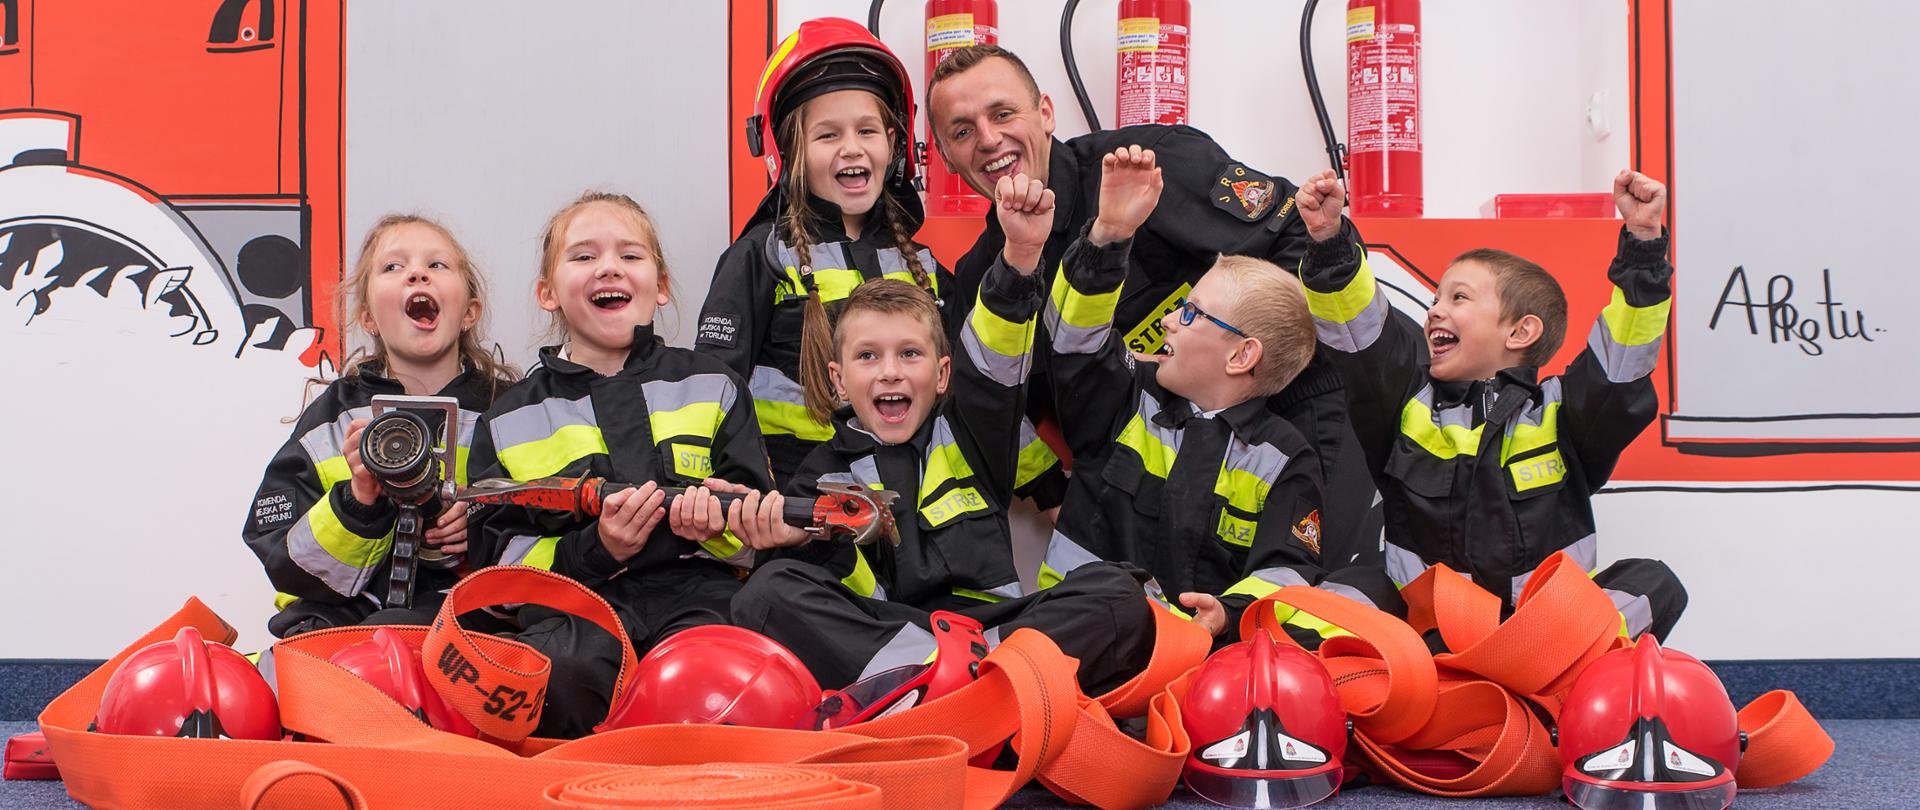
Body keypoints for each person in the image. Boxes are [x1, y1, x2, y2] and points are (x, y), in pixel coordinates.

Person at [924, 43, 1379, 568]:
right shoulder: (986, 279)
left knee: (1304, 596)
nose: (988, 139)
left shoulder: (1152, 165)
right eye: (962, 131)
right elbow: (996, 411)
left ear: (1045, 113)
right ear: (947, 157)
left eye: (1003, 113)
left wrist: (1255, 372)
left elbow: (1303, 234)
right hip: (1144, 471)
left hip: (1293, 410)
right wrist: (1052, 494)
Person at [728, 173, 1153, 695]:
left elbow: (996, 344)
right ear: (838, 380)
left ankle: (961, 687)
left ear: (944, 374)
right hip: (888, 642)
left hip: (995, 638)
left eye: (910, 353)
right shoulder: (819, 476)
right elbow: (817, 598)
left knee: (1121, 594)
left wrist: (1021, 251)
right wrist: (789, 541)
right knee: (764, 594)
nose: (890, 372)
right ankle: (949, 686)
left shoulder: (972, 430)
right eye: (867, 356)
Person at [1294, 168, 1686, 641]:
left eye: (1458, 297)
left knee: (1654, 583)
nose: (1435, 309)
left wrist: (1644, 247)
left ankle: (1551, 670)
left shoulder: (1563, 414)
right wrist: (1329, 242)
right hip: (1422, 625)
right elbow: (1360, 334)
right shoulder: (1403, 399)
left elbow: (1621, 361)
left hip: (1537, 627)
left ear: (1520, 332)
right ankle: (1373, 686)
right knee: (1327, 599)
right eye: (1436, 297)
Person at [1034, 147, 1401, 649]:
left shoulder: (1284, 458)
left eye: (1189, 313)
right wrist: (1108, 238)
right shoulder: (1125, 401)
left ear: (1242, 356)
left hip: (1195, 668)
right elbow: (1074, 340)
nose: (1166, 320)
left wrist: (1227, 615)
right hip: (1071, 650)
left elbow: (1286, 570)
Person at [696, 18, 1065, 514]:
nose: (852, 147)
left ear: (893, 144)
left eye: (866, 130)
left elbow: (976, 392)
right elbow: (713, 394)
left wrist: (1047, 487)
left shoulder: (925, 271)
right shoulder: (760, 259)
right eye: (827, 135)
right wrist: (741, 503)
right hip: (806, 512)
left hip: (917, 513)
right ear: (788, 152)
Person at [463, 191, 773, 736]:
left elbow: (758, 521)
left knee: (726, 675)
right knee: (560, 676)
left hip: (702, 595)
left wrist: (717, 528)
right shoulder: (508, 420)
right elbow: (499, 567)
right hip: (579, 607)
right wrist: (596, 550)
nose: (609, 267)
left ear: (661, 287)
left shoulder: (714, 384)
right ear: (547, 293)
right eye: (583, 257)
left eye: (630, 256)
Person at [244, 214, 517, 639]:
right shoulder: (332, 422)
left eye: (437, 265)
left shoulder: (509, 412)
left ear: (470, 312)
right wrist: (358, 503)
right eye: (393, 267)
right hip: (344, 629)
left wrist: (483, 523)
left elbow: (548, 526)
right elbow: (286, 561)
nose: (416, 273)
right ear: (368, 317)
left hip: (469, 627)